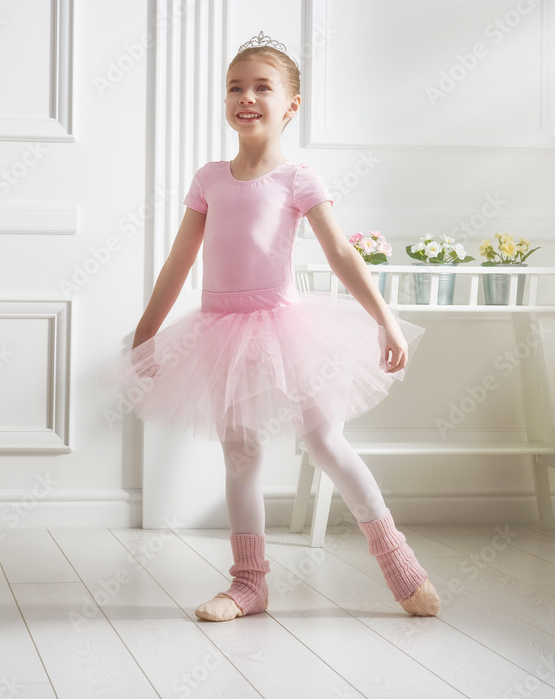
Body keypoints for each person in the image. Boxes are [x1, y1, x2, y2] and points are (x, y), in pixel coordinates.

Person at [102, 32, 440, 621]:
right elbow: (180, 260)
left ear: (291, 104)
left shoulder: (298, 179)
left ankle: (399, 564)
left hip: (285, 331)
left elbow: (340, 254)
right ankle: (249, 584)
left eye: (263, 87)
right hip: (219, 332)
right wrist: (147, 330)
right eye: (236, 87)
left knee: (325, 441)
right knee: (240, 454)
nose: (247, 97)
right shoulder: (210, 178)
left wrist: (386, 322)